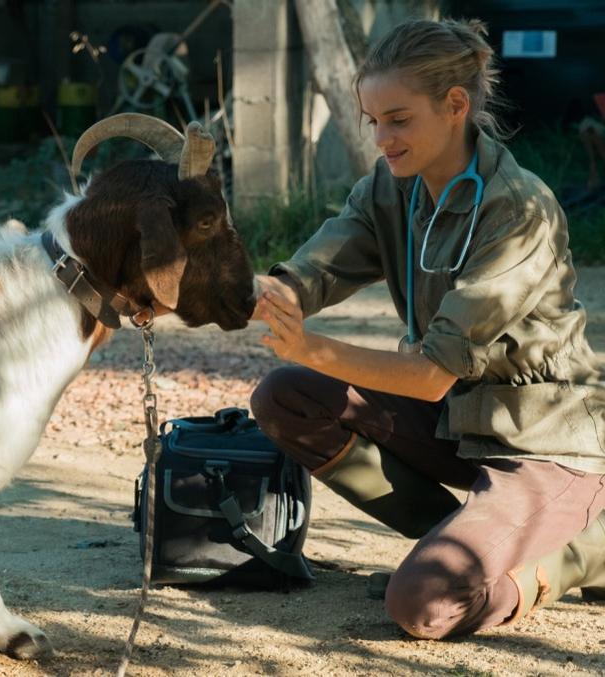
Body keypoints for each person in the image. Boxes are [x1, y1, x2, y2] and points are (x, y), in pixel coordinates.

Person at [249, 18, 605, 640]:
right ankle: (457, 539)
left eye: (399, 119)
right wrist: (249, 290)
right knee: (285, 396)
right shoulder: (391, 189)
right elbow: (313, 270)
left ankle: (584, 552)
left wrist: (311, 344)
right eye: (372, 121)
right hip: (459, 428)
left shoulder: (520, 210)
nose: (381, 139)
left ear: (456, 106)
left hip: (544, 445)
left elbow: (432, 374)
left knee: (424, 606)